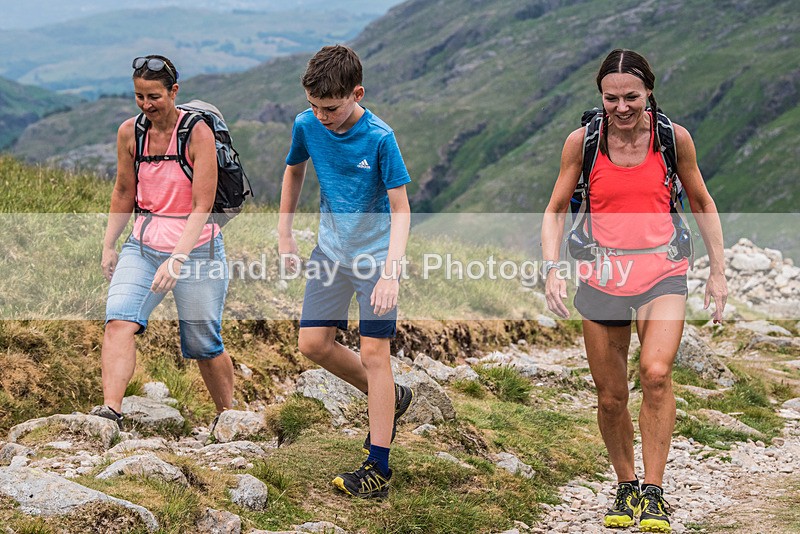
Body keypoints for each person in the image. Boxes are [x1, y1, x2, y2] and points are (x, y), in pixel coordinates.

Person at [541, 49, 728, 532]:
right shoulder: (582, 142)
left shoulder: (672, 139)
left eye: (632, 97)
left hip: (662, 271)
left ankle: (654, 490)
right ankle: (625, 485)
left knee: (657, 372)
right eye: (611, 98)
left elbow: (703, 201)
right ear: (600, 97)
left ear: (649, 92)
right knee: (610, 396)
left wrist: (717, 272)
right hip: (603, 276)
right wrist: (552, 267)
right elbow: (556, 208)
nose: (622, 107)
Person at [278, 44, 413, 499]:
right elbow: (294, 171)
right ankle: (390, 399)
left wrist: (392, 273)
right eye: (313, 106)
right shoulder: (306, 124)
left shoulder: (380, 137)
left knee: (376, 355)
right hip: (330, 254)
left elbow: (401, 208)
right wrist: (285, 233)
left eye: (330, 108)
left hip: (375, 260)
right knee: (313, 344)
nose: (320, 116)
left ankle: (378, 465)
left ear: (357, 93)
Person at [92, 54, 234, 429]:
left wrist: (177, 259)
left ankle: (229, 418)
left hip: (197, 249)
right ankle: (111, 414)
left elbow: (203, 205)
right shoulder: (130, 133)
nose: (146, 105)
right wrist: (110, 244)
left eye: (153, 96)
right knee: (118, 321)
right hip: (142, 246)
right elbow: (123, 191)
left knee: (204, 343)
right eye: (139, 96)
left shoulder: (197, 132)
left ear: (174, 91)